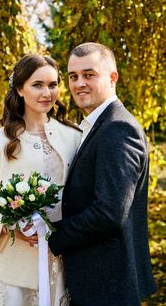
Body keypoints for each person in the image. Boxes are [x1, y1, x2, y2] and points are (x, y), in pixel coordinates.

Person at [48, 42, 157, 306]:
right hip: (97, 282)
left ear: (112, 77)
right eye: (73, 76)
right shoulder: (98, 125)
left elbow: (109, 213)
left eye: (89, 74)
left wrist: (53, 236)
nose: (79, 83)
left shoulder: (117, 128)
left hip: (107, 285)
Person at [0, 54, 81, 306]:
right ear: (19, 89)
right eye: (37, 85)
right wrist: (12, 227)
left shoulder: (74, 135)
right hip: (11, 266)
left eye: (53, 85)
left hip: (60, 262)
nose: (47, 93)